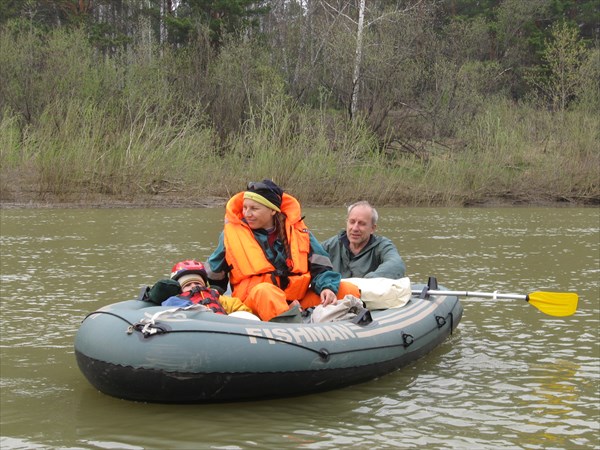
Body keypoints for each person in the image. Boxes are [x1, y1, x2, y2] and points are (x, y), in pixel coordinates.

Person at [205, 180, 360, 321]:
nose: (247, 213)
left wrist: (327, 287)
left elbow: (322, 268)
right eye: (245, 208)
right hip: (255, 302)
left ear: (273, 211)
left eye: (254, 208)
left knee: (347, 290)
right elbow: (214, 275)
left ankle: (301, 317)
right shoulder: (230, 236)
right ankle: (293, 328)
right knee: (266, 292)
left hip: (295, 298)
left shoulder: (300, 233)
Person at [321, 201, 406, 279]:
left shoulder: (382, 246)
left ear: (372, 228)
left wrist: (367, 281)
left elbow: (396, 264)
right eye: (352, 222)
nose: (355, 228)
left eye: (362, 224)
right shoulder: (330, 245)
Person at [162, 259, 256, 317]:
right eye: (187, 285)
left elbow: (238, 307)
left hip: (223, 327)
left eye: (197, 283)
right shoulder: (176, 300)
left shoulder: (218, 297)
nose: (194, 286)